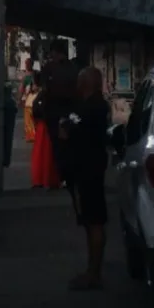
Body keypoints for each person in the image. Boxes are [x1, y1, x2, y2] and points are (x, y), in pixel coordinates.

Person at [59, 65, 109, 291]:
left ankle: (95, 273)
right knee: (88, 221)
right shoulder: (83, 105)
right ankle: (92, 270)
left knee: (94, 221)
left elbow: (69, 130)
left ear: (86, 83)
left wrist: (67, 131)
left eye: (81, 81)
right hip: (81, 171)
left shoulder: (95, 107)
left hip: (90, 171)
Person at [39, 39, 79, 184]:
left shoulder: (49, 68)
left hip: (54, 111)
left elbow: (44, 90)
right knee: (69, 144)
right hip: (70, 112)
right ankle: (69, 175)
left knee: (57, 145)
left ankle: (62, 176)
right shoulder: (74, 68)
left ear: (54, 53)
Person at [30, 73, 61, 189]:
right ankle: (49, 179)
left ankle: (40, 179)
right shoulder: (52, 94)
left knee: (41, 153)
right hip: (48, 125)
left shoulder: (43, 94)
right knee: (49, 154)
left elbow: (35, 108)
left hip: (43, 126)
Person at [20, 59, 37, 143]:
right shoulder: (36, 74)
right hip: (35, 99)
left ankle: (31, 136)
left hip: (28, 99)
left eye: (27, 64)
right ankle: (33, 134)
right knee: (33, 118)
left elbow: (21, 89)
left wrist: (19, 99)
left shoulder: (26, 76)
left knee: (28, 119)